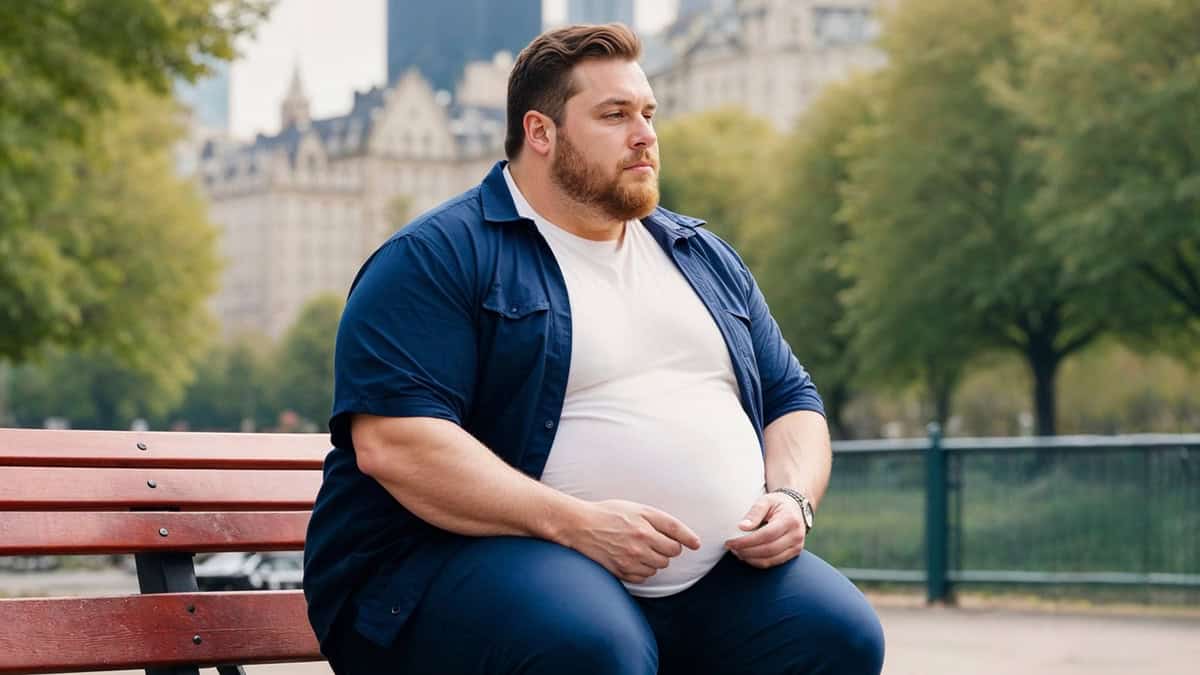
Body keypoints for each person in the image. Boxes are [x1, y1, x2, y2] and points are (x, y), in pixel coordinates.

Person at [303, 22, 884, 675]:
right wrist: (576, 523)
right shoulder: (436, 257)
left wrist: (793, 497)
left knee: (839, 632)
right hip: (450, 570)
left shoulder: (701, 256)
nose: (645, 135)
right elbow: (397, 443)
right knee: (591, 646)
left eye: (648, 113)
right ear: (541, 133)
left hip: (698, 585)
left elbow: (792, 400)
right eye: (614, 115)